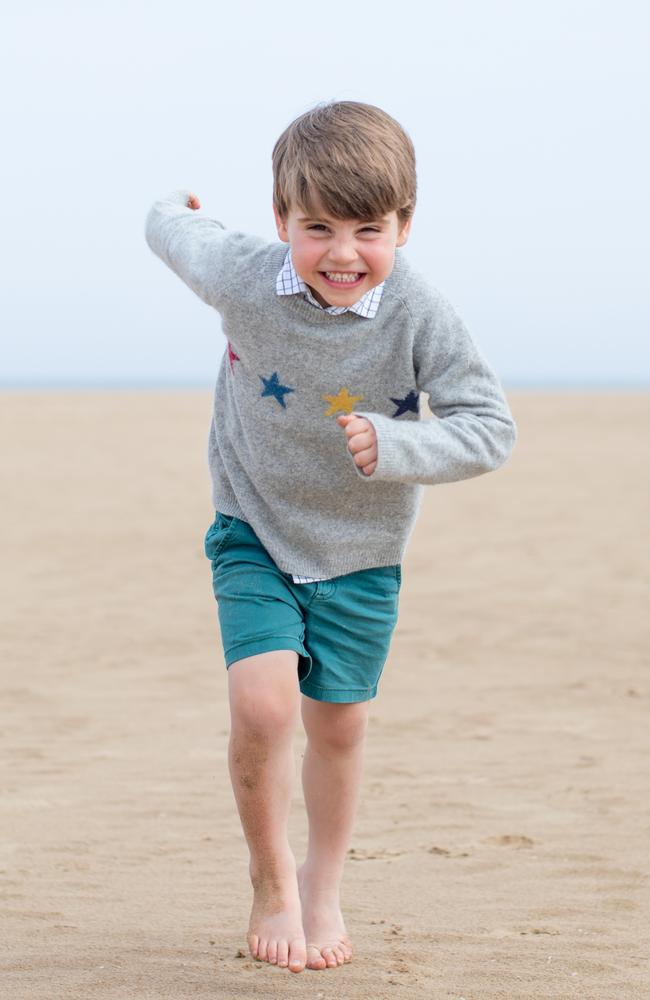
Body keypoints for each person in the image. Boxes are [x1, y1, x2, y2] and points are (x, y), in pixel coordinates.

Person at [144, 100, 517, 975]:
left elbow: (490, 427)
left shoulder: (419, 311)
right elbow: (173, 232)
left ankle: (323, 881)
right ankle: (271, 880)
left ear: (405, 226)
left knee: (339, 728)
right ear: (281, 220)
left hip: (362, 551)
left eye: (367, 230)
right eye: (317, 229)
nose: (342, 254)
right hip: (254, 525)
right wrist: (175, 205)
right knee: (265, 708)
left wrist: (400, 446)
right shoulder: (243, 272)